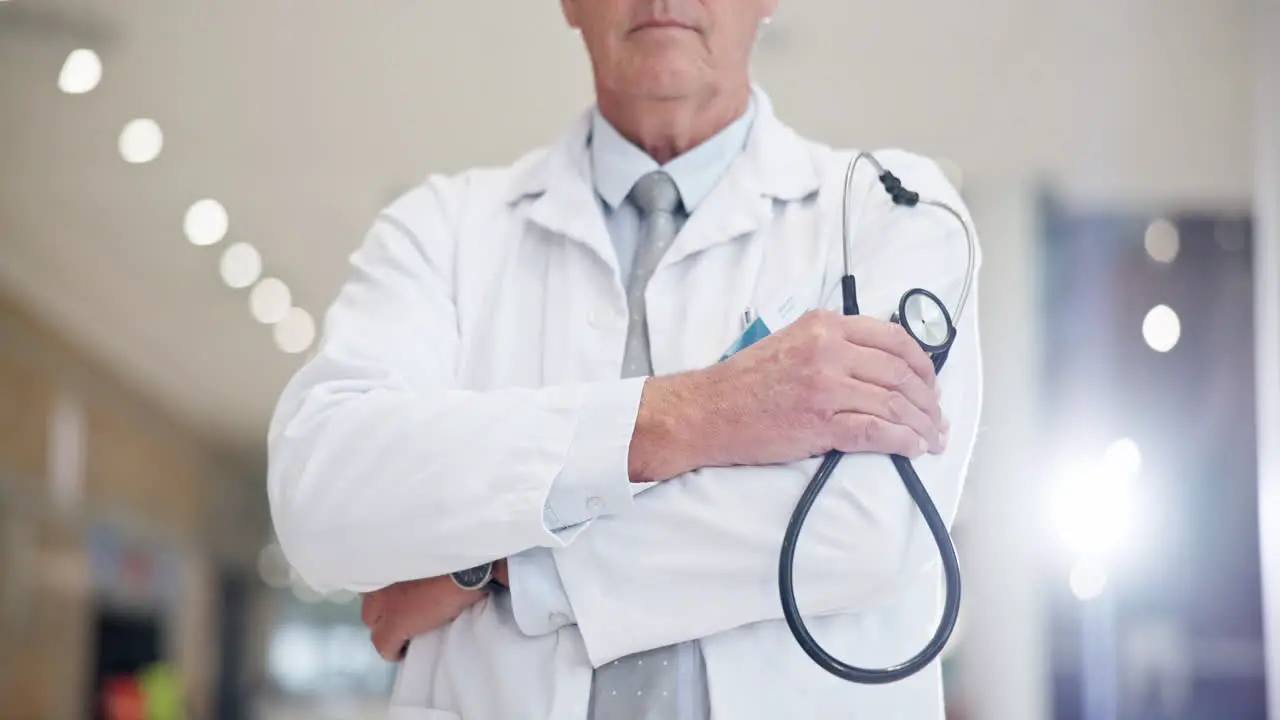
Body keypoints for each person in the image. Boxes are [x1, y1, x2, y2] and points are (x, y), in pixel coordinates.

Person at [266, 1, 983, 718]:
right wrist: (704, 412)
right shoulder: (440, 230)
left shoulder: (893, 213)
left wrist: (491, 567)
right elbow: (322, 493)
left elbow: (864, 531)